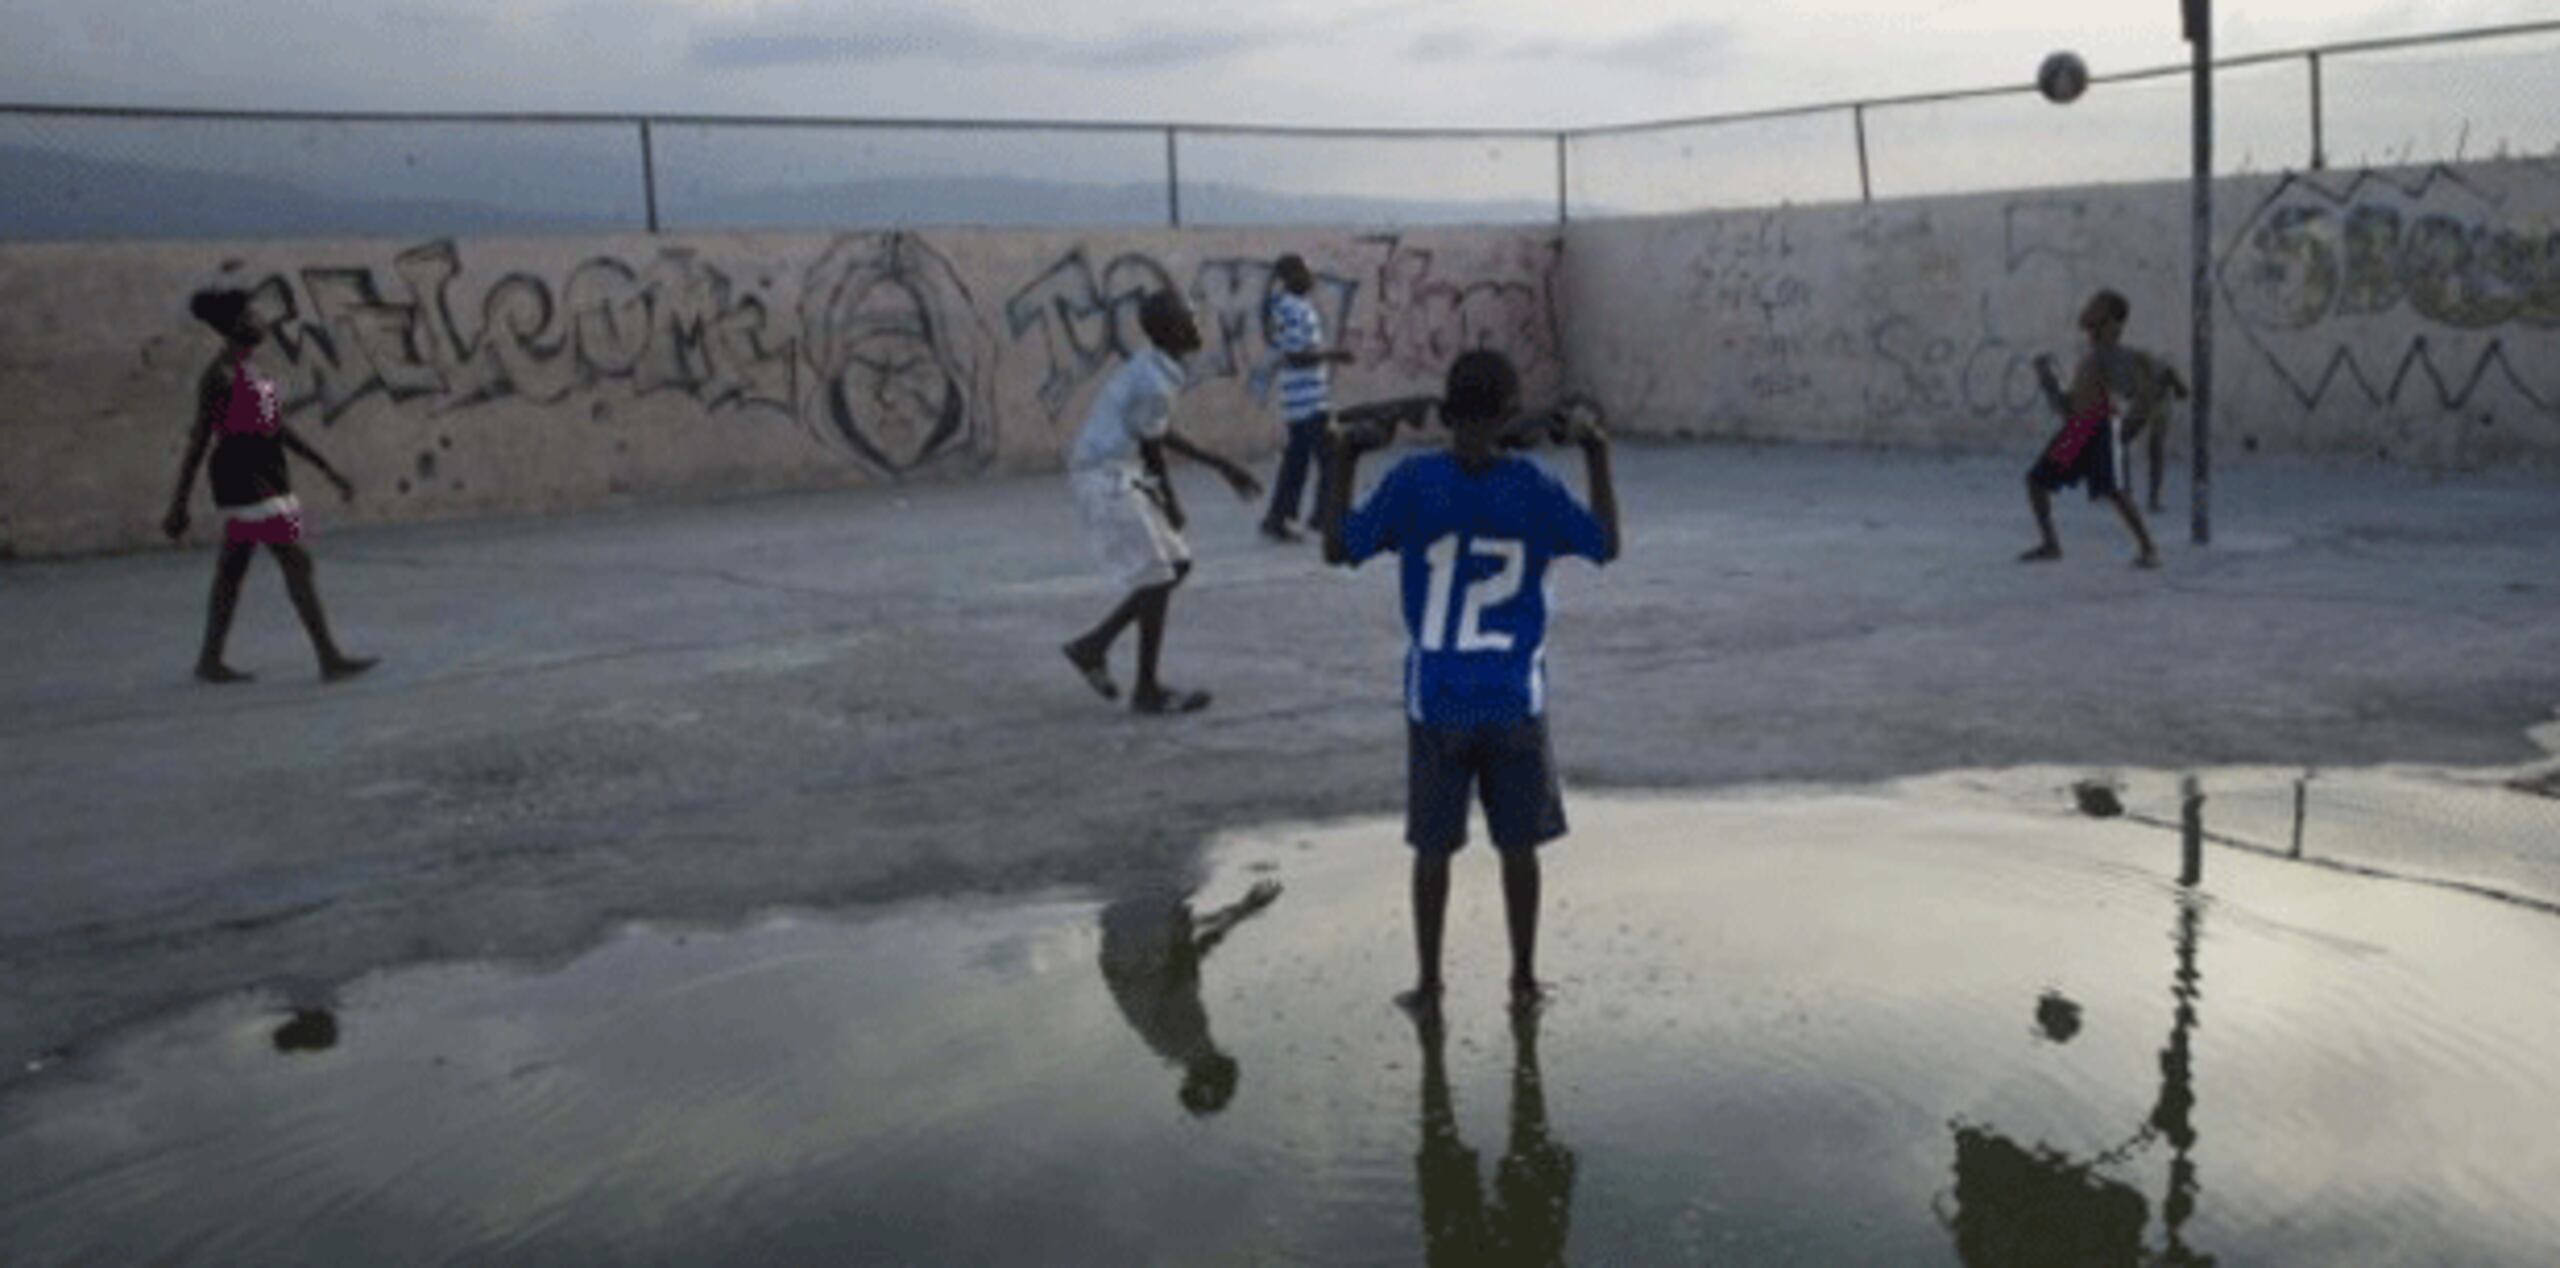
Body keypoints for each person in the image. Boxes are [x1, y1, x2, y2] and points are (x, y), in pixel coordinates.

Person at [1319, 350, 1619, 1013]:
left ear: (1449, 413)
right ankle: (1523, 980)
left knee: (1433, 849)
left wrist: (1343, 458)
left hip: (1438, 701)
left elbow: (1340, 546)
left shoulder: (1413, 482)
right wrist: (1596, 450)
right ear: (1511, 415)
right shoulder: (1533, 487)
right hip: (1515, 699)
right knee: (1519, 848)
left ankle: (1428, 984)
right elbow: (1604, 542)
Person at [1060, 291, 1264, 715]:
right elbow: (1152, 445)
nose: (1197, 327)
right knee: (1156, 577)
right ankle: (1146, 690)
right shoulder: (1154, 379)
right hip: (1104, 476)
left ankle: (1093, 645)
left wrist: (1219, 466)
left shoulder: (1158, 369)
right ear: (1171, 330)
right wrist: (1171, 499)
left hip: (1117, 471)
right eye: (1190, 320)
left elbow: (1155, 431)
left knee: (1177, 566)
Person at [161, 288, 378, 684]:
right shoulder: (219, 376)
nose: (261, 321)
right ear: (234, 325)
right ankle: (329, 657)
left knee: (232, 568)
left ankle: (210, 660)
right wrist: (178, 504)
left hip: (269, 475)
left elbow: (277, 429)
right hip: (244, 480)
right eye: (252, 315)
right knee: (296, 561)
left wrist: (326, 467)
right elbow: (199, 441)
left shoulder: (254, 370)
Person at [1097, 880, 1283, 1117]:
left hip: (1136, 941)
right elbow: (1188, 960)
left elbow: (1184, 965)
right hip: (1128, 946)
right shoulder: (1177, 1049)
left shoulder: (1189, 1042)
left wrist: (1244, 909)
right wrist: (1243, 909)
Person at [2020, 290, 2162, 569]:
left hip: (2101, 426)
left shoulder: (2111, 355)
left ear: (2109, 320)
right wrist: (2050, 381)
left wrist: (2130, 422)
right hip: (2080, 427)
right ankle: (2051, 544)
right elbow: (2070, 406)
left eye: (2095, 307)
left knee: (2116, 491)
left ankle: (2149, 549)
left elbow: (2131, 389)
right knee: (2037, 481)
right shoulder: (2092, 356)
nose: (2087, 311)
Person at [1256, 254, 1356, 544]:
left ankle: (1279, 518)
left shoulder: (1296, 306)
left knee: (1297, 460)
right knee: (1332, 457)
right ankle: (1323, 518)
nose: (1310, 277)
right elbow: (1295, 356)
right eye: (1303, 272)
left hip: (1305, 396)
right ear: (1290, 277)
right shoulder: (1289, 309)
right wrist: (1333, 354)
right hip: (1307, 399)